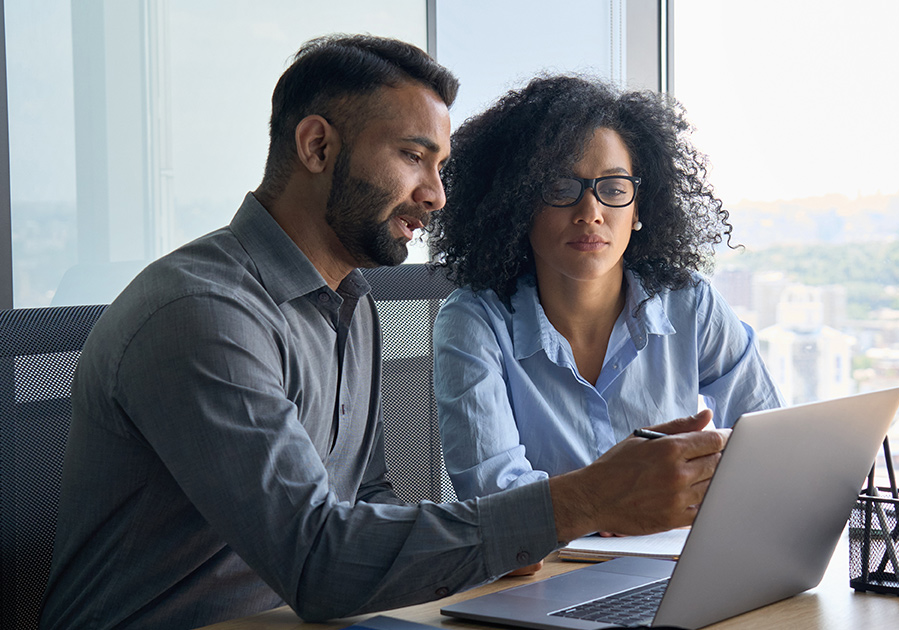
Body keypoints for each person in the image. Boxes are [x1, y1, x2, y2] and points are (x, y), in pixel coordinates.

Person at [39, 36, 727, 630]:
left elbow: (364, 503)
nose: (437, 193)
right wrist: (585, 499)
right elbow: (317, 560)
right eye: (412, 156)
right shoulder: (202, 314)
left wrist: (503, 546)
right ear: (316, 146)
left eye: (440, 164)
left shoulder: (350, 301)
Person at [428, 77, 783, 503]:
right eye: (561, 188)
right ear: (519, 204)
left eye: (614, 189)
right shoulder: (473, 322)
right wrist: (610, 504)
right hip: (547, 567)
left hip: (676, 556)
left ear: (638, 209)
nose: (591, 212)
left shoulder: (691, 304)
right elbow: (497, 498)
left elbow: (770, 443)